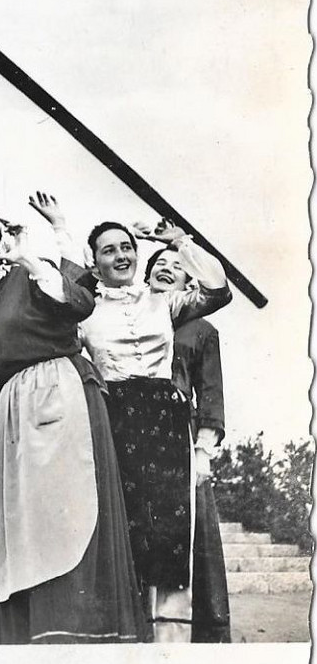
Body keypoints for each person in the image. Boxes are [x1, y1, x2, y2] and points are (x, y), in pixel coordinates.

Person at [0, 207, 147, 645]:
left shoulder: (29, 277)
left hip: (61, 397)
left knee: (68, 512)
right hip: (16, 412)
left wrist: (30, 259)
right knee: (27, 525)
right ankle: (39, 632)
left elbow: (79, 302)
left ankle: (81, 630)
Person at [80, 218, 232, 642]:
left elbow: (218, 290)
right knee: (125, 530)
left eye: (127, 247)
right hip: (116, 420)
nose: (122, 255)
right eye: (108, 250)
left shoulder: (163, 302)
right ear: (94, 264)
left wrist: (180, 242)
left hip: (166, 421)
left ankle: (170, 643)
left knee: (170, 532)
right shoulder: (85, 312)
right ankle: (126, 637)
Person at [145, 245, 231, 643]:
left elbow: (209, 394)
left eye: (175, 267)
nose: (166, 269)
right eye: (158, 265)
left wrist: (202, 452)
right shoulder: (119, 318)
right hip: (129, 436)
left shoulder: (199, 330)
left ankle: (180, 639)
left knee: (183, 540)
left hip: (179, 443)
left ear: (188, 283)